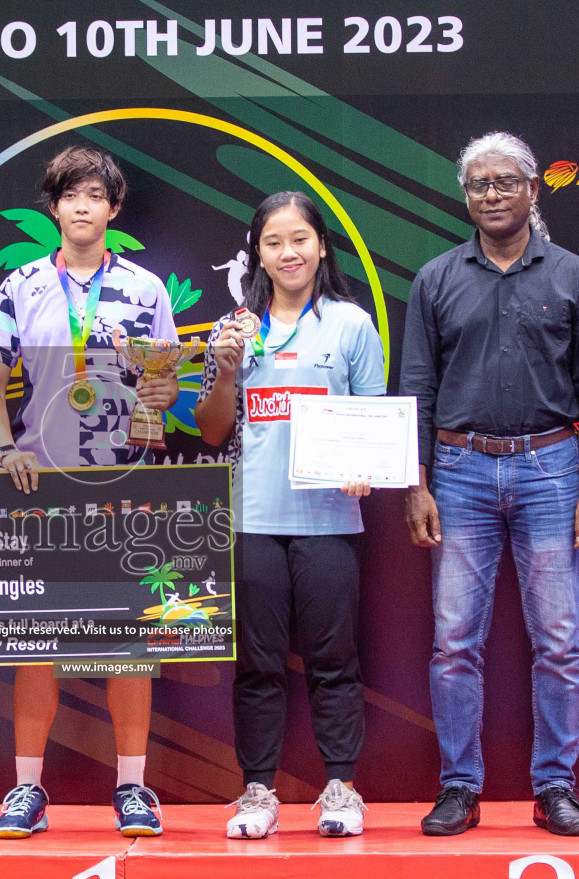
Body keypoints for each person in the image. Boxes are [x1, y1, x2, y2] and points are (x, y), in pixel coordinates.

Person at [399, 131, 579, 838]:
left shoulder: (576, 276)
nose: (490, 195)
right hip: (457, 472)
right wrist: (416, 482)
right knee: (454, 640)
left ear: (533, 189)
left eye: (504, 182)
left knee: (559, 638)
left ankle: (555, 786)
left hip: (553, 470)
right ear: (466, 196)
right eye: (478, 185)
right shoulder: (435, 279)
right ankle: (459, 786)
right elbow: (418, 388)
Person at [0, 146, 178, 839]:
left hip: (127, 486)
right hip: (45, 486)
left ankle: (133, 787)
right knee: (40, 644)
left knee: (128, 646)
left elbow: (167, 386)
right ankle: (27, 787)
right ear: (53, 207)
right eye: (71, 195)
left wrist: (160, 388)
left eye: (96, 195)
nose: (83, 206)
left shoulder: (147, 289)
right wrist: (5, 450)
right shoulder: (21, 285)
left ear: (114, 209)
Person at [196, 192, 385, 839]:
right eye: (274, 242)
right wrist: (225, 371)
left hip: (330, 519)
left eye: (300, 238)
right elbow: (213, 428)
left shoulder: (351, 326)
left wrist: (367, 463)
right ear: (258, 255)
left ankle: (341, 787)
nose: (288, 253)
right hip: (254, 519)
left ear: (322, 246)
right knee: (258, 663)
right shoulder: (234, 328)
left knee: (335, 659)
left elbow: (374, 420)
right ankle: (257, 792)